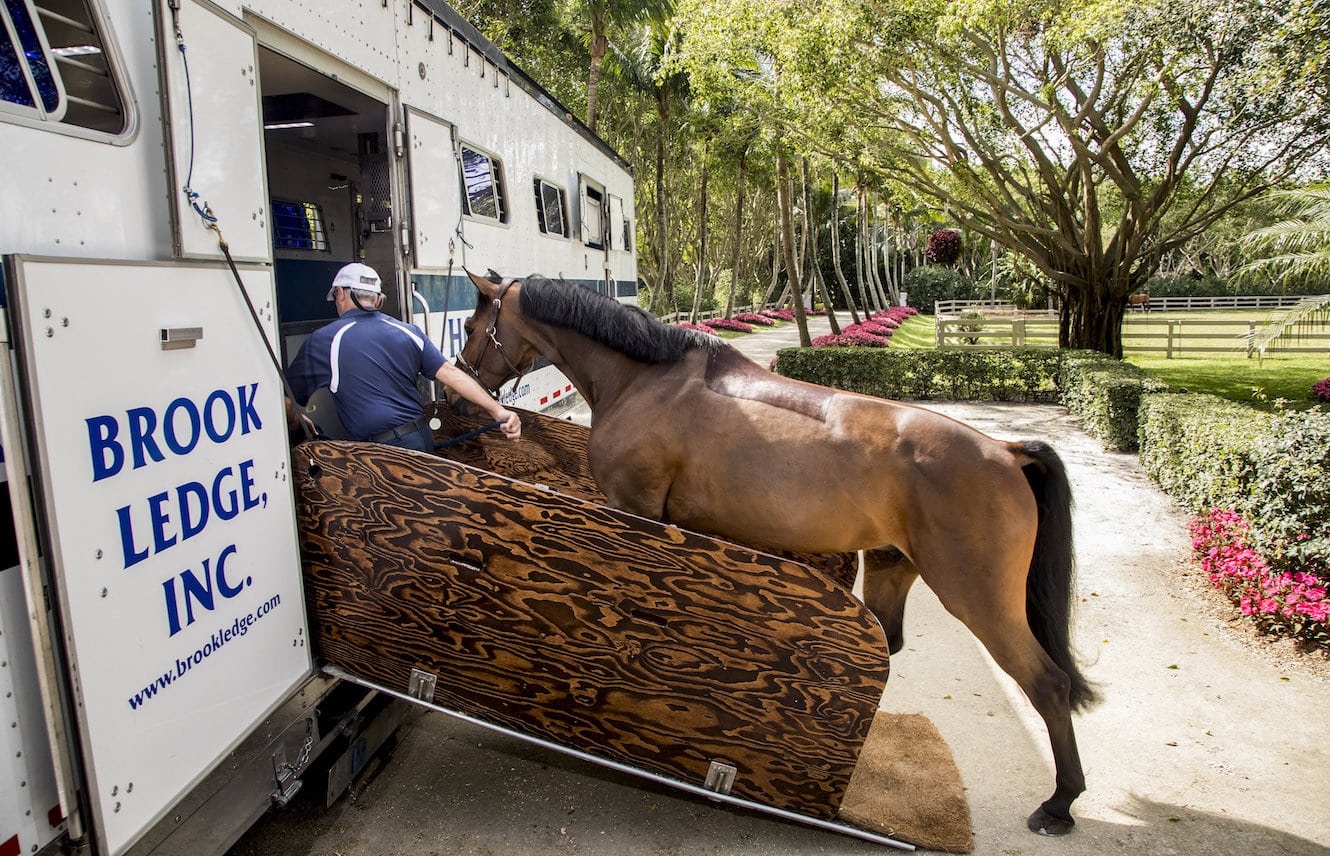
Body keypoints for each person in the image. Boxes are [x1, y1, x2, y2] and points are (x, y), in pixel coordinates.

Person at [287, 262, 521, 452]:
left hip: (382, 454)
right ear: (378, 299)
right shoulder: (409, 332)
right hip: (421, 441)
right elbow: (451, 374)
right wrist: (498, 410)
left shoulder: (325, 340)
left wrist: (298, 420)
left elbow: (286, 401)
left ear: (339, 294)